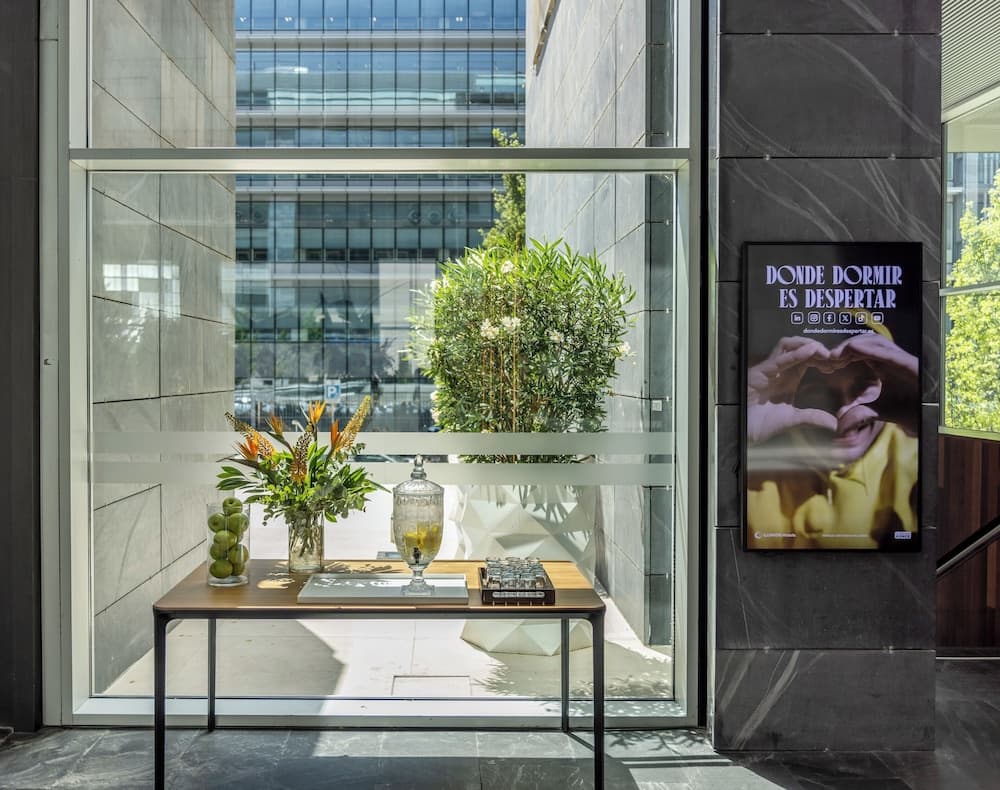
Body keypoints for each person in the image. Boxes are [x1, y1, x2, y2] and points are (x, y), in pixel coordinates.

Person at [746, 329, 919, 549]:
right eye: (818, 392)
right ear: (786, 393)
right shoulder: (748, 465)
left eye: (863, 386)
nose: (843, 410)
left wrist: (927, 410)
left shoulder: (920, 462)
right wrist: (735, 425)